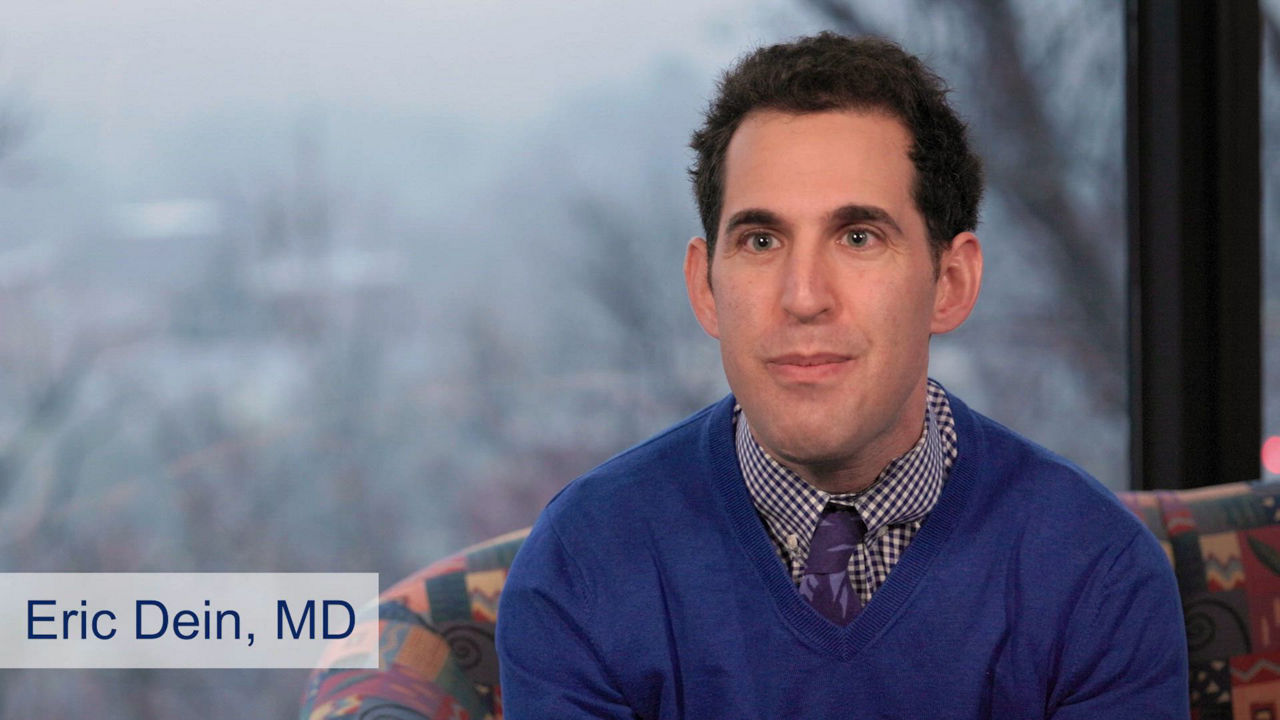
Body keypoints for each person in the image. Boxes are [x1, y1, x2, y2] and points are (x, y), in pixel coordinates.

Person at [496, 33, 1188, 718]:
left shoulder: (1097, 573)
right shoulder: (584, 562)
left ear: (950, 282)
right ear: (705, 288)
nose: (803, 297)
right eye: (761, 241)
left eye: (859, 237)